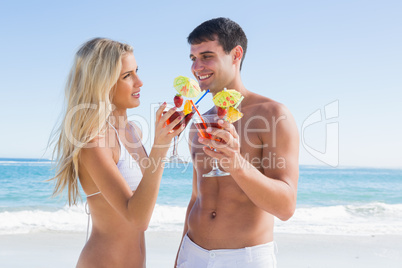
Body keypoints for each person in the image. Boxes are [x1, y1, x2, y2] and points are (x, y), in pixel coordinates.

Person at [175, 18, 300, 268]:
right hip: (193, 253)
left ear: (236, 55)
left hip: (246, 259)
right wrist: (180, 258)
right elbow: (196, 197)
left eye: (207, 56)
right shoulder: (201, 121)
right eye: (192, 58)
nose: (196, 67)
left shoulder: (273, 115)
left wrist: (236, 163)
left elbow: (286, 207)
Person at [50, 38, 184, 268]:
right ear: (102, 84)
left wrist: (168, 140)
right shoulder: (94, 143)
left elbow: (144, 195)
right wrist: (159, 146)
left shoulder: (133, 131)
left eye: (137, 71)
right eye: (127, 76)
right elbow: (138, 218)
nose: (139, 82)